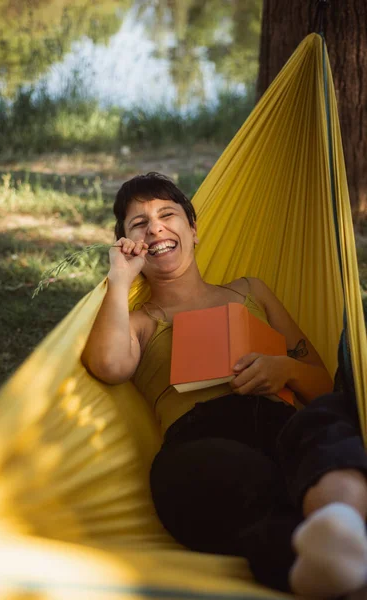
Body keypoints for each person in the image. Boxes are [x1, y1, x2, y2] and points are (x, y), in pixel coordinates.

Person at [82, 172, 367, 598]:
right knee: (219, 480)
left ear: (193, 231)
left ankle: (336, 533)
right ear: (127, 243)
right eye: (138, 224)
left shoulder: (251, 291)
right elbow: (107, 364)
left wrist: (284, 369)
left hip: (280, 423)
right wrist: (121, 279)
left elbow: (324, 388)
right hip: (200, 440)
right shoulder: (140, 321)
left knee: (331, 423)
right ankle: (331, 557)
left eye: (166, 214)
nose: (155, 227)